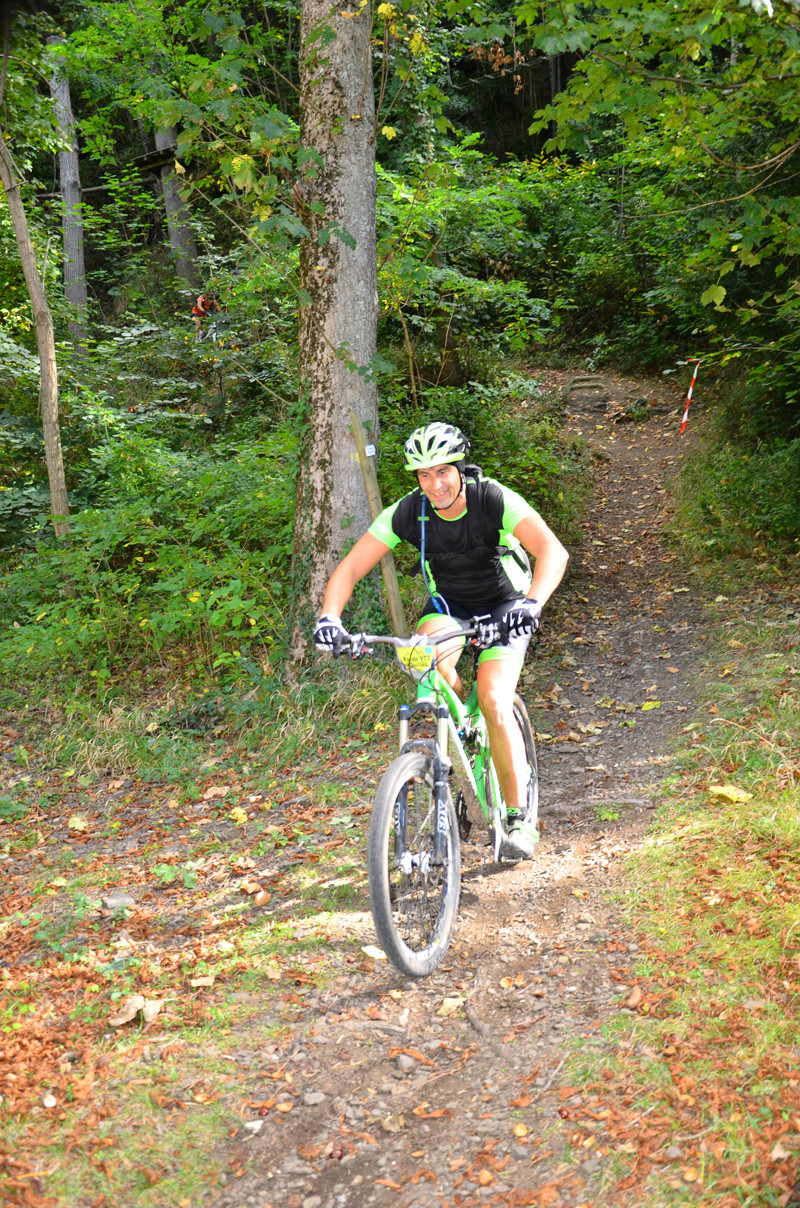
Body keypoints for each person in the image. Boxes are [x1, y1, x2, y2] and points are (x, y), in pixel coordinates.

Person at [313, 421, 569, 861]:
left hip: (506, 605)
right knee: (422, 662)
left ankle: (517, 818)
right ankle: (462, 729)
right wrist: (329, 617)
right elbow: (351, 567)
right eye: (424, 475)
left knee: (494, 698)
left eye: (443, 472)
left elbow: (553, 551)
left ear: (461, 468)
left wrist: (532, 603)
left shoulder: (492, 498)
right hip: (449, 608)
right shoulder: (408, 512)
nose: (435, 484)